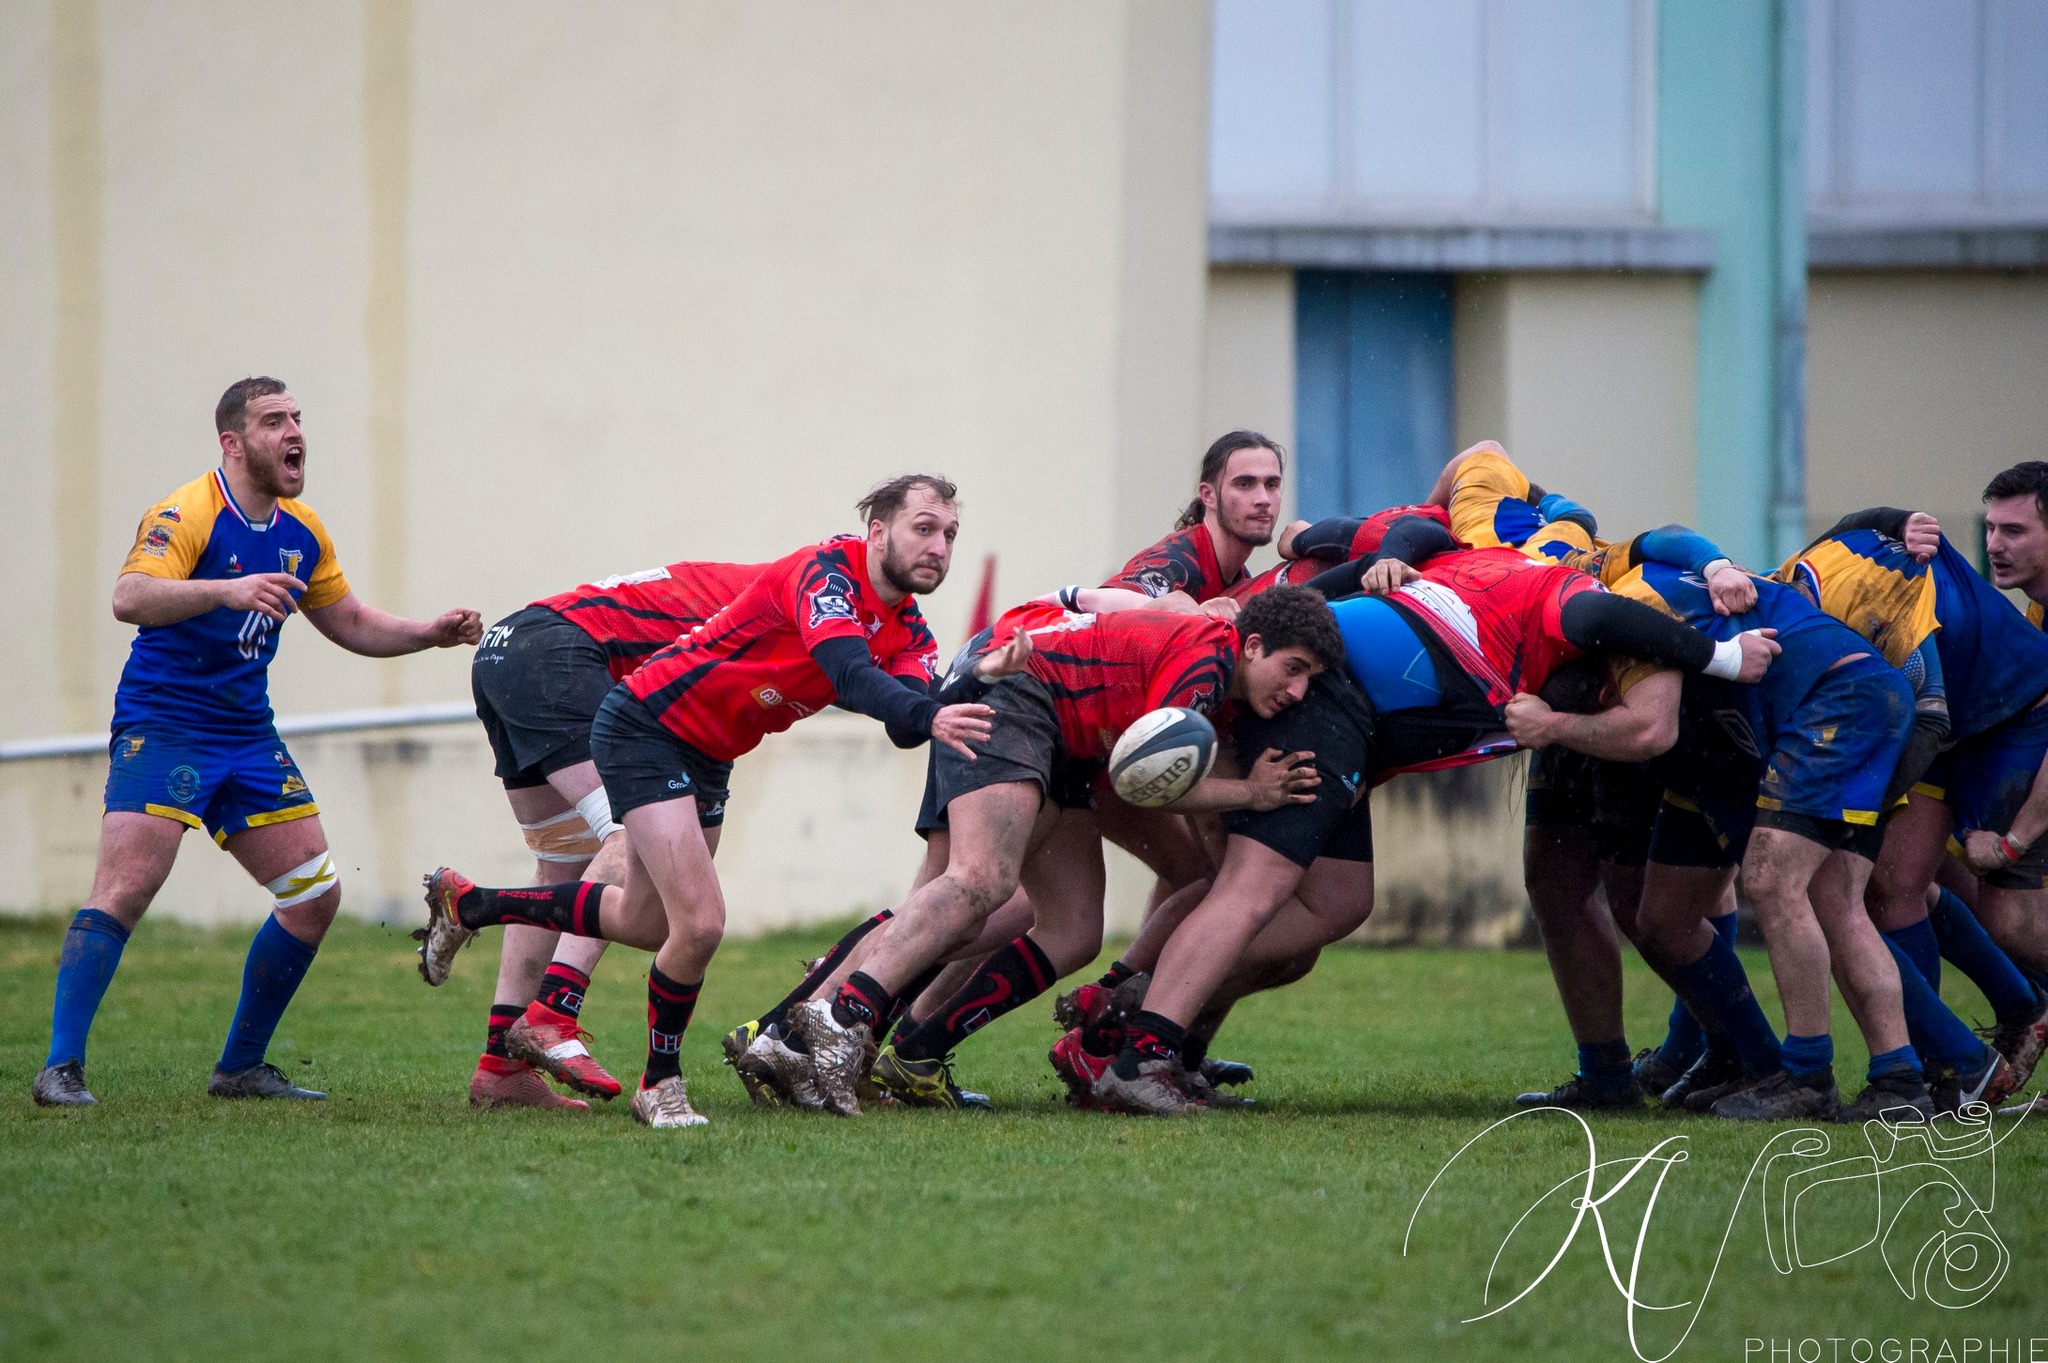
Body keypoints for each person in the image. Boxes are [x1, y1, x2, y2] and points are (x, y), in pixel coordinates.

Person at [416, 476, 991, 1129]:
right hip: (644, 718)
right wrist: (931, 708)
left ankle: (475, 919)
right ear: (877, 532)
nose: (940, 546)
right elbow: (849, 674)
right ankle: (617, 1057)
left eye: (950, 534)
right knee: (696, 917)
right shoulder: (822, 576)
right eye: (924, 527)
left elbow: (905, 723)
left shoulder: (908, 629)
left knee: (644, 916)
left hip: (703, 744)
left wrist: (973, 682)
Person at [33, 377, 482, 1108]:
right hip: (166, 724)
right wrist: (225, 590)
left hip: (246, 734)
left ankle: (239, 1067)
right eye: (274, 421)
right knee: (127, 888)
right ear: (234, 444)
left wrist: (428, 635)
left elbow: (351, 621)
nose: (294, 431)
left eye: (298, 418)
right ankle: (59, 1068)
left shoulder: (302, 531)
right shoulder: (187, 510)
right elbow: (129, 597)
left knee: (313, 896)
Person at [791, 586, 1340, 1114]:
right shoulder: (1207, 664)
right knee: (979, 882)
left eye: (1309, 679)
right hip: (1020, 697)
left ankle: (916, 1051)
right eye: (1292, 668)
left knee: (1073, 929)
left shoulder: (1216, 662)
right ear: (1252, 645)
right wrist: (1253, 793)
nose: (1297, 692)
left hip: (1063, 739)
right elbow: (1144, 777)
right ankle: (834, 1019)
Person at [460, 557, 762, 1109]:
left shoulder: (790, 589)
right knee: (629, 835)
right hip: (558, 654)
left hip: (509, 647)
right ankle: (553, 1011)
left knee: (563, 867)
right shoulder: (812, 602)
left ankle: (500, 1067)